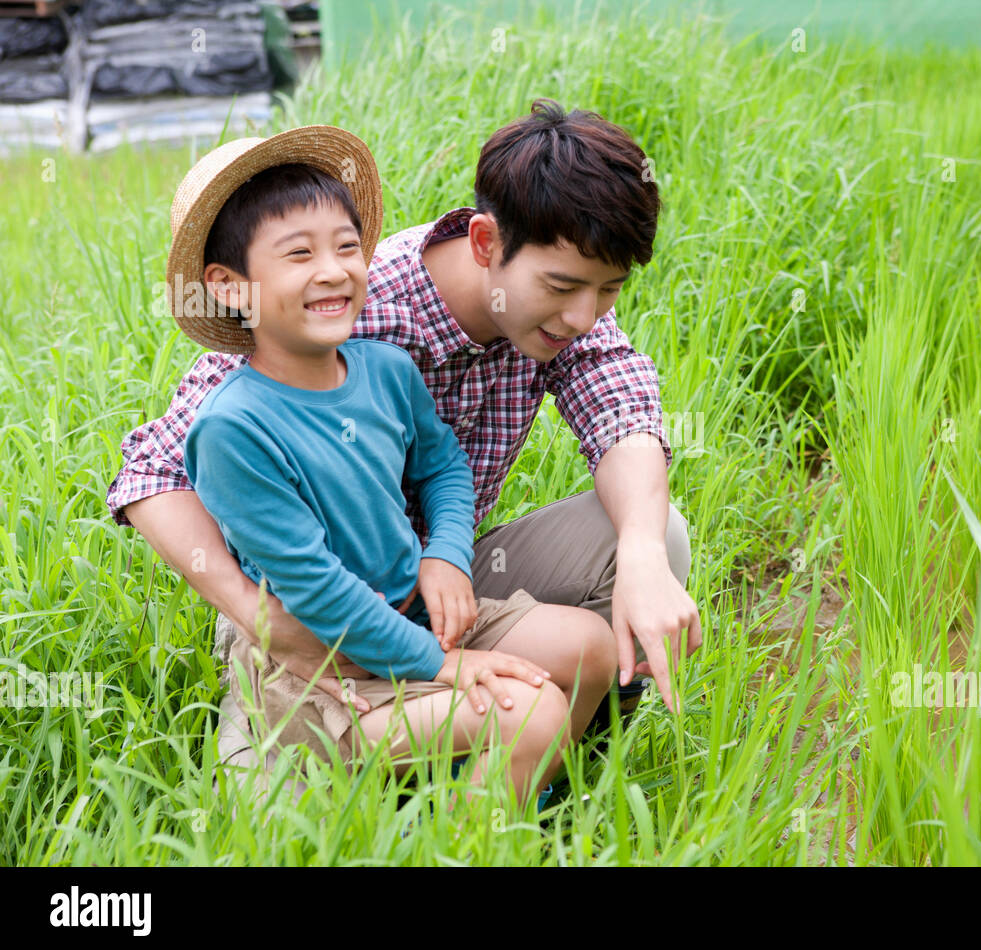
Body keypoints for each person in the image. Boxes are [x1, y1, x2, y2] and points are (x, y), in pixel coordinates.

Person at [106, 100, 701, 780]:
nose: (584, 316)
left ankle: (536, 769)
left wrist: (644, 556)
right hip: (311, 613)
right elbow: (153, 469)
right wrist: (260, 615)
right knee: (283, 814)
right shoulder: (339, 307)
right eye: (563, 287)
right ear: (485, 244)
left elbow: (618, 406)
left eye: (609, 291)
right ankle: (392, 743)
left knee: (655, 537)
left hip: (438, 586)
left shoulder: (566, 312)